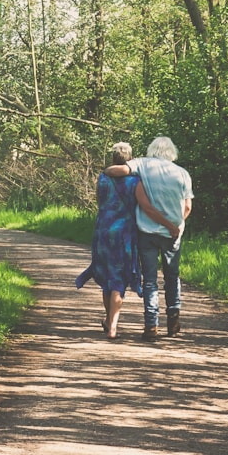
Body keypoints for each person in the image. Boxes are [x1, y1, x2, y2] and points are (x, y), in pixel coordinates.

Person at [75, 143, 173, 339]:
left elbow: (99, 201)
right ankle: (112, 327)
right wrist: (166, 223)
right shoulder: (135, 181)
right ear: (130, 159)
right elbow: (144, 206)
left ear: (113, 159)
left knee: (107, 280)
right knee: (118, 280)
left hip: (103, 231)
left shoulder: (102, 178)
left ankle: (108, 319)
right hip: (125, 235)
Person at [106, 136, 192, 341]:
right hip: (173, 234)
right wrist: (175, 225)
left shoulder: (142, 164)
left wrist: (107, 171)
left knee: (150, 281)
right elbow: (188, 206)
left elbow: (119, 171)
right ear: (172, 152)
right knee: (172, 277)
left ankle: (151, 326)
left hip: (147, 232)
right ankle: (173, 321)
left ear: (152, 149)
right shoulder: (182, 173)